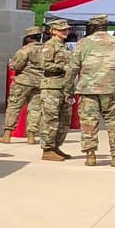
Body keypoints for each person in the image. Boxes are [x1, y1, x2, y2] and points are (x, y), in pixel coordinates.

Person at [65, 12, 115, 166]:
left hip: (87, 89)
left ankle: (90, 156)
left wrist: (68, 90)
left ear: (92, 27)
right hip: (111, 88)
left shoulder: (83, 43)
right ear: (106, 26)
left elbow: (72, 68)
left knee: (89, 122)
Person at [29, 18, 74, 161]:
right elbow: (46, 65)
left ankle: (56, 146)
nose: (65, 32)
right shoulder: (50, 45)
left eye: (66, 29)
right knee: (51, 119)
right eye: (62, 30)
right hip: (51, 87)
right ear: (53, 31)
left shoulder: (64, 46)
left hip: (64, 86)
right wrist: (63, 67)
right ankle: (47, 149)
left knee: (64, 120)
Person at [5, 28, 42, 142]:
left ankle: (7, 135)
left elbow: (15, 66)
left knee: (14, 107)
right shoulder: (46, 49)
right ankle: (31, 136)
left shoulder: (25, 49)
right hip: (39, 82)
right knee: (35, 109)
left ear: (28, 38)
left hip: (23, 81)